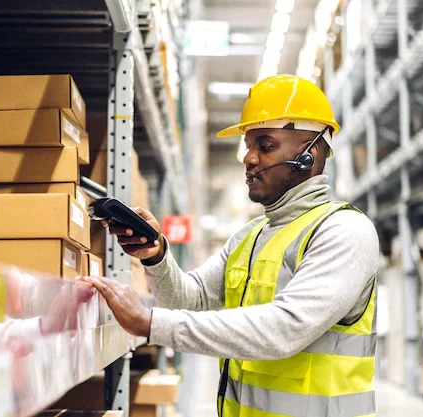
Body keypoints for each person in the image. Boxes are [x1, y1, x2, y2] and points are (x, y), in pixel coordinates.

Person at [84, 74, 380, 417]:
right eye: (249, 146)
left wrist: (150, 324)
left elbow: (284, 330)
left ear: (308, 154)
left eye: (265, 146)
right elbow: (189, 301)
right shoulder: (250, 236)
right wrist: (157, 257)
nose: (249, 158)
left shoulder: (344, 231)